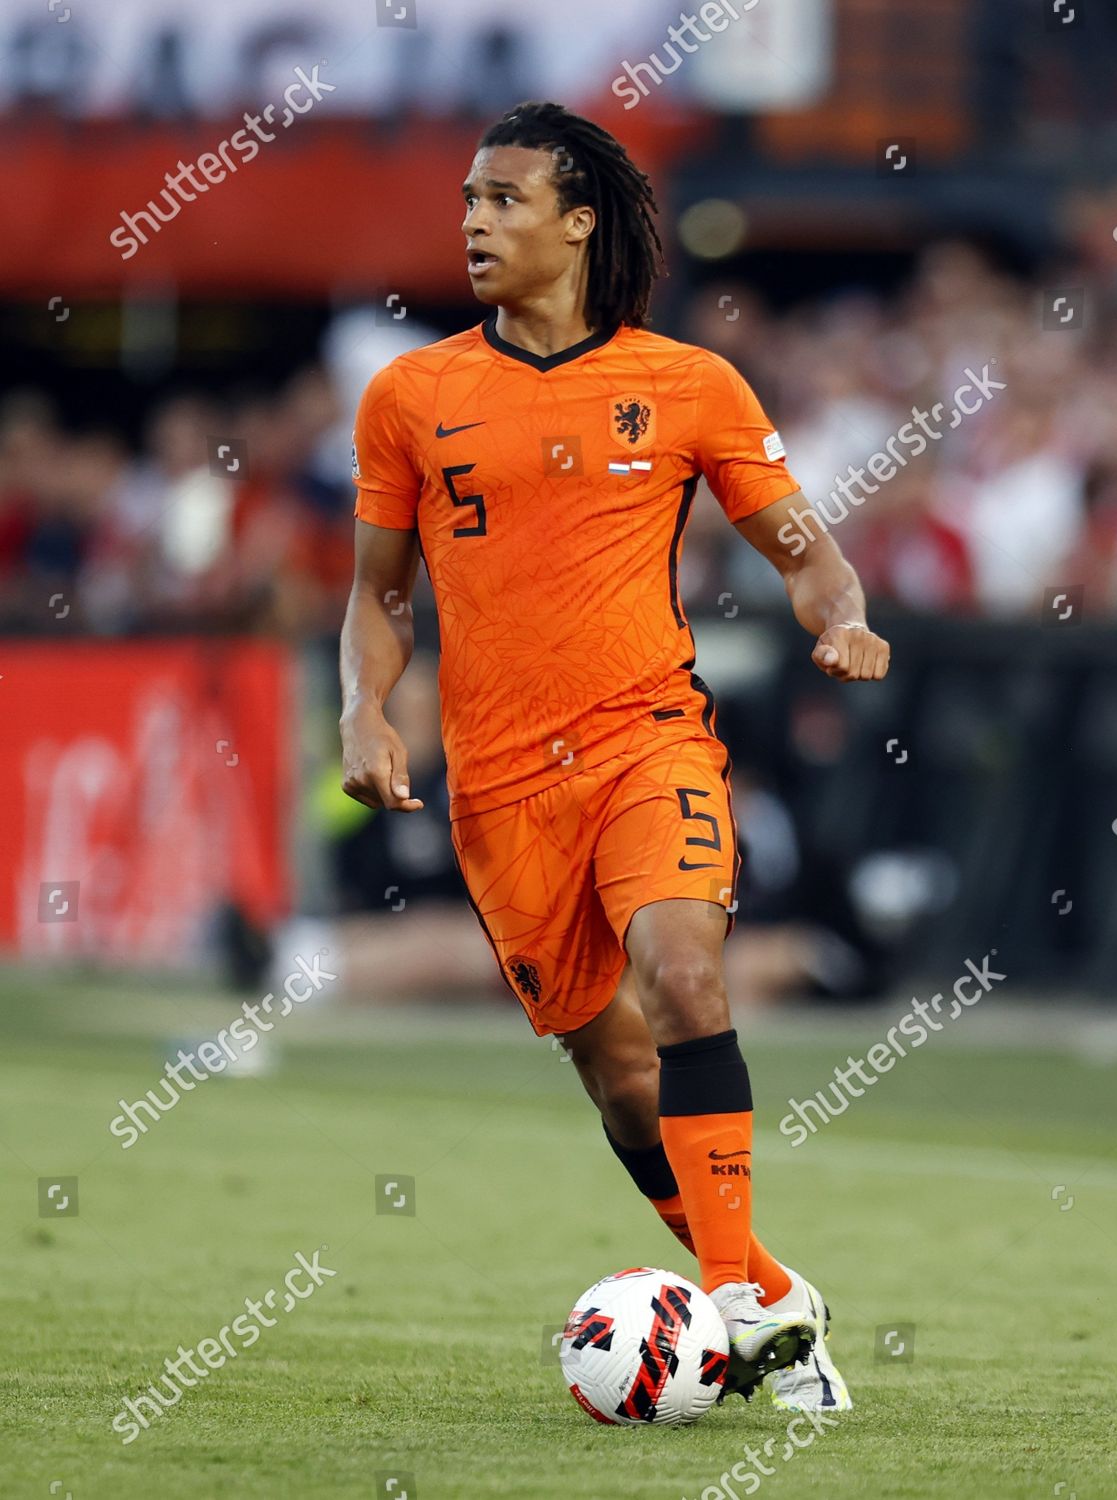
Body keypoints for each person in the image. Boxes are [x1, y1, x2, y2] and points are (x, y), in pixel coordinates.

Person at [339, 100, 889, 1411]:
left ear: (579, 219)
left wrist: (846, 619)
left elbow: (807, 550)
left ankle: (743, 1306)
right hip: (500, 789)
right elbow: (381, 593)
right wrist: (363, 710)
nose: (475, 222)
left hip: (650, 741)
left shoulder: (692, 384)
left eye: (505, 200)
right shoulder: (410, 396)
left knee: (686, 976)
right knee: (619, 1072)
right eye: (468, 200)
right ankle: (766, 1291)